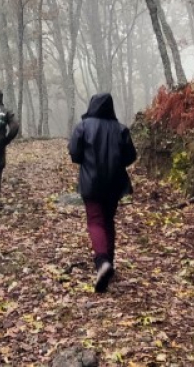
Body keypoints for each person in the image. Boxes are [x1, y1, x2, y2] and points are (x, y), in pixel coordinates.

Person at [68, 92, 136, 293]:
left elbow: (74, 153)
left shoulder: (83, 127)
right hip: (115, 183)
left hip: (92, 182)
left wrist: (88, 160)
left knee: (95, 221)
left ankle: (102, 261)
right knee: (108, 221)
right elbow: (131, 156)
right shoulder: (120, 129)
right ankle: (109, 262)